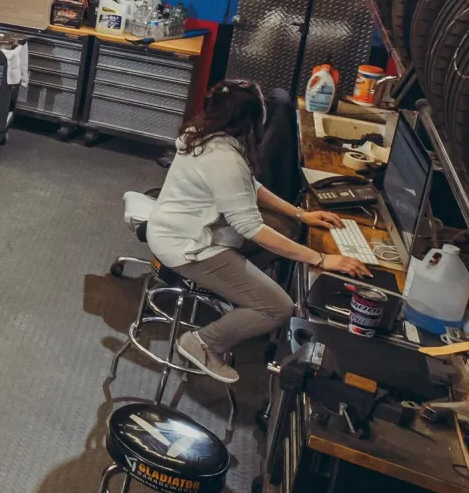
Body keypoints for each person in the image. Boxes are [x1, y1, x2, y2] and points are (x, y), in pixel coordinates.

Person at [146, 78, 368, 384]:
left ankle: (244, 298)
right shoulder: (223, 159)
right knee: (279, 308)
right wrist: (319, 259)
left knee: (288, 228)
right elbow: (251, 228)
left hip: (188, 225)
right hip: (189, 245)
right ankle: (203, 342)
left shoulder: (205, 134)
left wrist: (301, 214)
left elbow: (250, 186)